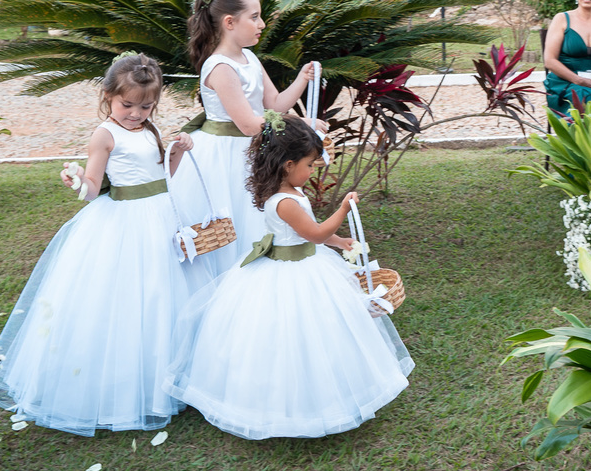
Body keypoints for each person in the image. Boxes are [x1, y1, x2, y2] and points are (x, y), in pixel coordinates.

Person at [165, 114, 413, 439]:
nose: (314, 170)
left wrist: (338, 242)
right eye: (310, 165)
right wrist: (343, 209)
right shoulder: (284, 202)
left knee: (326, 329)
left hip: (306, 260)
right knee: (292, 335)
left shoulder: (289, 191)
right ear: (287, 164)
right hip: (291, 272)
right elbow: (314, 232)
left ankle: (331, 389)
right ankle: (295, 405)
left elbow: (310, 234)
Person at [0, 54, 195, 436]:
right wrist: (78, 183)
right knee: (126, 301)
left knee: (160, 295)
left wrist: (178, 151)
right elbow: (93, 186)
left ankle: (162, 380)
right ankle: (119, 387)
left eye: (145, 106)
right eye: (127, 105)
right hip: (125, 223)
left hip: (159, 215)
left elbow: (162, 177)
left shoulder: (149, 130)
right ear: (108, 97)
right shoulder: (105, 134)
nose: (136, 113)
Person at [179, 0, 318, 273]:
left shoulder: (249, 58)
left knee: (258, 218)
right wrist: (301, 123)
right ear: (229, 22)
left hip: (252, 149)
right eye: (254, 17)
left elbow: (275, 105)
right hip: (226, 157)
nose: (262, 23)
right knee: (237, 224)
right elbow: (247, 124)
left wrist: (302, 79)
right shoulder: (220, 67)